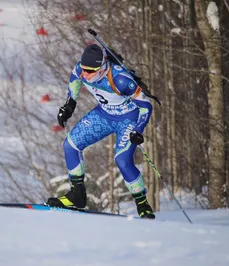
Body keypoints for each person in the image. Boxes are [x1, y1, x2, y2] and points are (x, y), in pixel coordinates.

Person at [46, 44, 155, 219]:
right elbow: (75, 80)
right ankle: (77, 196)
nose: (85, 74)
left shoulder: (120, 79)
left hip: (128, 118)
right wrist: (69, 105)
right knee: (70, 145)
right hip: (104, 115)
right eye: (84, 69)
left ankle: (142, 204)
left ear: (102, 67)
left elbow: (146, 106)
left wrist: (138, 129)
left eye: (90, 71)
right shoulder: (81, 69)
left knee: (122, 160)